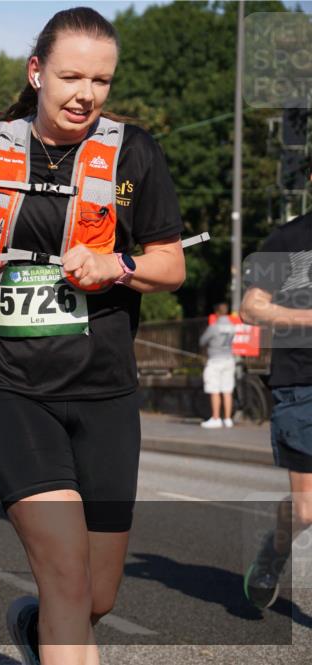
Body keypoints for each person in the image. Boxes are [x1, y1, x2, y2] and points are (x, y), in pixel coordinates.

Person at [0, 7, 186, 664]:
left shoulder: (137, 153)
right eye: (71, 76)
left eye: (100, 80)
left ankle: (44, 624)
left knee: (97, 595)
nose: (85, 95)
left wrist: (115, 264)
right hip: (9, 382)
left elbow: (172, 264)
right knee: (68, 571)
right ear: (37, 71)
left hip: (102, 389)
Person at [240, 176, 311, 610]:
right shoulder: (288, 238)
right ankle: (274, 552)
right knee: (306, 511)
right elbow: (252, 306)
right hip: (302, 382)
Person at [199, 302, 237, 428]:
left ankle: (216, 418)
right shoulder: (232, 326)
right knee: (227, 390)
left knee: (214, 389)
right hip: (229, 359)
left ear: (217, 313)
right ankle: (227, 418)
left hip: (215, 360)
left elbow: (202, 341)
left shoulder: (214, 327)